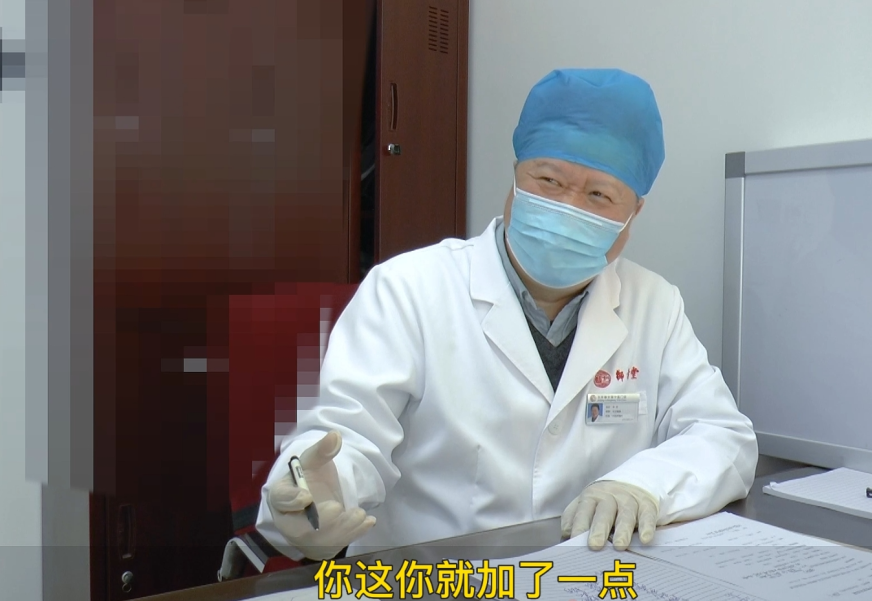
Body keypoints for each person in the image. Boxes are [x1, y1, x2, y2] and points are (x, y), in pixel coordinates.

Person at [256, 68, 758, 562]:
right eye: (549, 180)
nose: (567, 207)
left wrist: (643, 484)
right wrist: (317, 496)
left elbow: (724, 436)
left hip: (580, 580)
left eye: (599, 195)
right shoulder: (407, 289)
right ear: (516, 176)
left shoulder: (655, 305)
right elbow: (346, 438)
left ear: (634, 212)